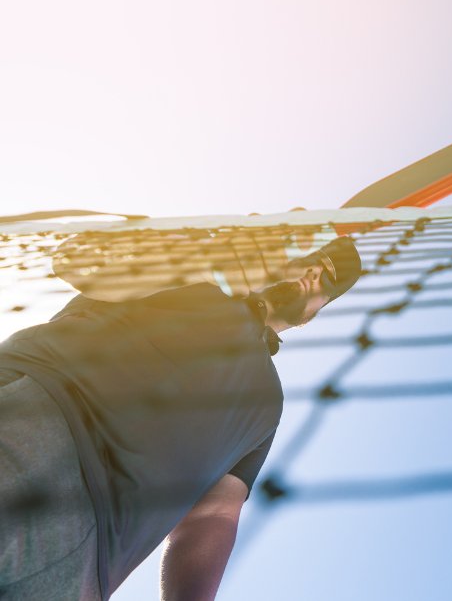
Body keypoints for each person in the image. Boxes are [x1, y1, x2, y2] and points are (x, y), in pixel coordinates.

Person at [0, 232, 362, 600]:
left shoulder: (269, 404)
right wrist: (217, 265)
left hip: (89, 562)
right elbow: (78, 261)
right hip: (31, 424)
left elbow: (215, 514)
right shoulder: (194, 274)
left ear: (313, 313)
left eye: (328, 277)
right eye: (313, 257)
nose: (314, 272)